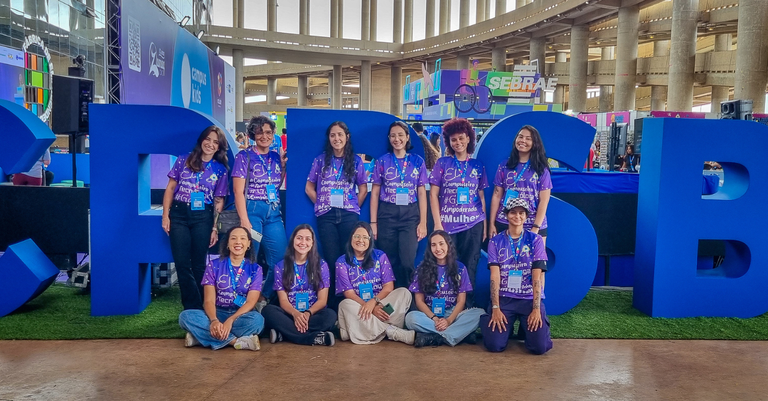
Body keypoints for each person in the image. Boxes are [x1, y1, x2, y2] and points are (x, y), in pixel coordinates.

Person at [162, 126, 229, 310]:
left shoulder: (220, 169)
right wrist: (165, 215)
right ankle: (192, 309)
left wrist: (214, 227)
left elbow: (218, 200)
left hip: (203, 217)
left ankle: (205, 307)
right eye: (208, 139)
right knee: (182, 264)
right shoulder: (184, 160)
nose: (210, 144)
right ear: (201, 140)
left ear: (219, 147)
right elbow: (170, 188)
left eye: (215, 142)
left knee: (199, 265)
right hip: (179, 214)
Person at [481, 198, 552, 355]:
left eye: (521, 213)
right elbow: (494, 276)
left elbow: (537, 276)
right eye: (513, 212)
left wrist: (536, 308)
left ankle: (528, 329)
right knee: (494, 345)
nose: (517, 216)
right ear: (506, 215)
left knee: (539, 348)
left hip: (528, 298)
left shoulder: (536, 240)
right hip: (505, 298)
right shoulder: (495, 241)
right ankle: (508, 326)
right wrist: (495, 307)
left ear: (526, 216)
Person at [305, 121, 368, 300]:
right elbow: (309, 188)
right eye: (333, 135)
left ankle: (352, 299)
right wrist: (321, 204)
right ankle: (335, 303)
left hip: (349, 214)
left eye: (340, 134)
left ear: (347, 137)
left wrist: (354, 207)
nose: (336, 138)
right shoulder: (320, 160)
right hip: (326, 216)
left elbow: (363, 189)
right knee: (332, 258)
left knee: (350, 257)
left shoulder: (355, 160)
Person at [429, 118, 488, 308]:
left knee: (470, 266)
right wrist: (438, 225)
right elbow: (434, 195)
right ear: (448, 142)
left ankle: (467, 309)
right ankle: (448, 307)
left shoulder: (478, 165)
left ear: (469, 138)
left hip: (474, 224)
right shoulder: (442, 163)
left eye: (461, 138)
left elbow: (481, 196)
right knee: (448, 266)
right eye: (453, 140)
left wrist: (485, 225)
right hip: (447, 224)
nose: (458, 143)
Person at [178, 226, 265, 351]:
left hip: (240, 316)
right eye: (233, 238)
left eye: (242, 239)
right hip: (216, 312)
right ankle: (236, 342)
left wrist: (231, 320)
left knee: (257, 321)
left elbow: (251, 302)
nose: (238, 242)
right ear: (227, 244)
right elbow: (208, 301)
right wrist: (214, 320)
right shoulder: (214, 265)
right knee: (185, 317)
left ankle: (201, 337)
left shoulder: (255, 269)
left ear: (248, 244)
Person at [233, 116, 288, 309]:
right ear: (253, 134)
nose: (264, 136)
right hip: (253, 212)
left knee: (281, 259)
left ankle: (263, 297)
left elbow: (276, 184)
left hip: (273, 213)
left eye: (268, 132)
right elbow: (238, 191)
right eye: (259, 132)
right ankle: (242, 299)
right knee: (251, 257)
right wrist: (244, 220)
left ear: (273, 134)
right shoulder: (244, 156)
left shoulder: (275, 156)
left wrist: (282, 167)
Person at [370, 121, 428, 288]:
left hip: (410, 214)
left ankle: (407, 297)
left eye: (400, 135)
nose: (397, 139)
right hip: (387, 213)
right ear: (389, 138)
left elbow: (422, 192)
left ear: (407, 137)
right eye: (393, 135)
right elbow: (374, 193)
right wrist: (373, 223)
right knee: (389, 261)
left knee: (407, 261)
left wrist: (423, 222)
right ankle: (390, 299)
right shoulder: (382, 161)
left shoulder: (417, 161)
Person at [335, 222, 414, 345]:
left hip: (382, 304)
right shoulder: (342, 261)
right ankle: (390, 331)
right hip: (360, 306)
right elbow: (349, 293)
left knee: (404, 293)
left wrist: (374, 303)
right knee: (345, 305)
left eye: (365, 237)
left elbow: (388, 287)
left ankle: (359, 328)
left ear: (370, 240)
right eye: (357, 236)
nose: (361, 240)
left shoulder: (380, 256)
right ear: (351, 238)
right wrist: (369, 308)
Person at [405, 231, 483, 348]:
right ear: (429, 248)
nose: (438, 248)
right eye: (433, 245)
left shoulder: (460, 268)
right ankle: (458, 335)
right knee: (410, 319)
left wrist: (449, 320)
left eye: (441, 244)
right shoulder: (421, 268)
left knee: (480, 314)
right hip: (430, 315)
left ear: (448, 245)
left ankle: (435, 337)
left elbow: (461, 301)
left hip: (452, 314)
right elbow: (419, 301)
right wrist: (435, 319)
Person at [262, 224, 337, 346]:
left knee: (330, 315)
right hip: (289, 314)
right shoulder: (281, 266)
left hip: (312, 314)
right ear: (293, 241)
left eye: (308, 239)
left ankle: (285, 334)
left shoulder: (321, 265)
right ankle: (313, 338)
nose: (303, 242)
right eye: (299, 238)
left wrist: (307, 313)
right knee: (268, 311)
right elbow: (283, 301)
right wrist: (296, 314)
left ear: (312, 243)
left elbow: (322, 301)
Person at [488, 125, 552, 246]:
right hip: (505, 221)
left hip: (532, 223)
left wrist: (535, 228)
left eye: (528, 138)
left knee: (534, 264)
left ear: (535, 143)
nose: (523, 140)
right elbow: (497, 195)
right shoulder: (504, 166)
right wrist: (491, 223)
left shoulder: (541, 169)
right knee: (506, 263)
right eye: (520, 137)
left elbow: (544, 200)